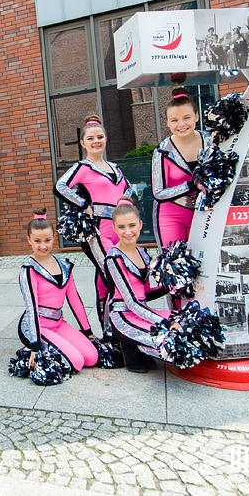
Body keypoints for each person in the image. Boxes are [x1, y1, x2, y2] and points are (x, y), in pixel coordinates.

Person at [54, 115, 134, 327]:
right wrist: (83, 204)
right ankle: (114, 329)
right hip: (99, 231)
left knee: (106, 277)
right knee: (113, 274)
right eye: (90, 138)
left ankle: (113, 330)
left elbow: (129, 188)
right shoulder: (83, 167)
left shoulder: (115, 168)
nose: (96, 141)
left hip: (120, 230)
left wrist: (126, 200)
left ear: (106, 139)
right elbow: (60, 187)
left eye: (99, 137)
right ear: (83, 143)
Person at [18, 207, 98, 372]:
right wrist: (35, 345)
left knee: (91, 357)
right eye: (37, 241)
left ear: (54, 237)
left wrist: (88, 331)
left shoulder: (64, 264)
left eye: (47, 240)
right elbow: (31, 308)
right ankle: (29, 350)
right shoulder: (28, 269)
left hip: (58, 322)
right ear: (29, 240)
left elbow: (74, 299)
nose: (43, 246)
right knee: (76, 362)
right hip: (37, 326)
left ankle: (57, 343)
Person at [104, 199, 179, 373]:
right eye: (121, 227)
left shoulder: (143, 252)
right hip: (123, 316)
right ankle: (130, 346)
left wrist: (172, 286)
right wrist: (163, 322)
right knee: (171, 337)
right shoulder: (114, 258)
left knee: (187, 322)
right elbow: (130, 301)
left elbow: (145, 294)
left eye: (132, 225)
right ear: (114, 228)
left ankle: (139, 349)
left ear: (140, 225)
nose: (128, 232)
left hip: (141, 311)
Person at [151, 92, 212, 248]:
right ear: (167, 123)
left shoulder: (212, 141)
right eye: (174, 120)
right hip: (171, 215)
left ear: (196, 116)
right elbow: (158, 192)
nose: (181, 124)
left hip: (205, 213)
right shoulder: (162, 151)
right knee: (175, 263)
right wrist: (192, 186)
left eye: (187, 117)